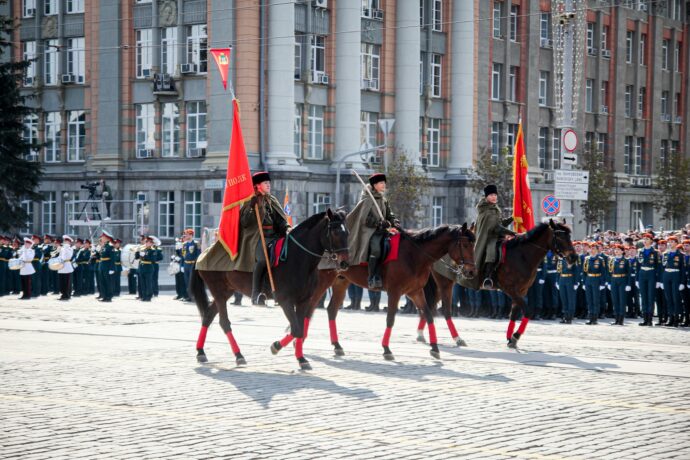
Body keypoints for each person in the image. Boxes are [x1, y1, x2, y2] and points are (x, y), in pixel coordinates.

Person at [240, 171, 290, 305]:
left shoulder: (272, 199)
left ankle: (280, 290)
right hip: (258, 237)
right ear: (257, 185)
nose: (268, 185)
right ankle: (255, 293)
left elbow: (280, 218)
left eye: (269, 183)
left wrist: (287, 227)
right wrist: (251, 208)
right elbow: (244, 222)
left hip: (276, 236)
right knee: (262, 259)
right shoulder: (251, 200)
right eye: (265, 183)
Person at [345, 173, 399, 290]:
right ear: (374, 185)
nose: (384, 185)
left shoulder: (383, 199)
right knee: (376, 248)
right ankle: (373, 277)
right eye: (381, 183)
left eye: (384, 183)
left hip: (384, 230)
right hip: (370, 231)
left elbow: (389, 214)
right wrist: (378, 223)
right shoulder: (367, 199)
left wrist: (394, 221)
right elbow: (364, 219)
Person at [474, 185, 516, 289]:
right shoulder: (486, 210)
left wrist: (513, 218)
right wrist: (513, 233)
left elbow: (500, 223)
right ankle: (487, 277)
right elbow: (496, 228)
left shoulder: (495, 208)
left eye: (495, 195)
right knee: (491, 251)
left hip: (497, 236)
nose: (494, 197)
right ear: (486, 196)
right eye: (491, 195)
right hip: (487, 238)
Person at [637, 233, 660, 326]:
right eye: (644, 239)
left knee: (650, 297)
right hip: (642, 274)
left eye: (647, 239)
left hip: (651, 274)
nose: (645, 240)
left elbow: (658, 266)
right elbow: (638, 266)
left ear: (651, 240)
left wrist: (658, 280)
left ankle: (650, 320)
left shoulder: (655, 252)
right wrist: (637, 279)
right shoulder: (640, 251)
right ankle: (645, 319)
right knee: (643, 297)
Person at [661, 236, 684, 327]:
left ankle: (676, 319)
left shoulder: (680, 255)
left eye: (672, 242)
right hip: (667, 275)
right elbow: (662, 268)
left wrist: (682, 282)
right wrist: (662, 281)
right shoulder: (665, 254)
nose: (670, 244)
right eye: (669, 242)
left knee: (676, 298)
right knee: (668, 298)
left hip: (676, 275)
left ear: (676, 243)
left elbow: (682, 269)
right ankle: (670, 318)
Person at [607, 244, 631, 325]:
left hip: (622, 280)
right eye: (615, 249)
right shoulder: (612, 260)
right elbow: (609, 272)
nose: (616, 251)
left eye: (618, 249)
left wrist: (628, 284)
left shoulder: (626, 261)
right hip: (614, 280)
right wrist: (609, 282)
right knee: (615, 300)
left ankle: (621, 319)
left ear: (622, 251)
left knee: (622, 300)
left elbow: (629, 273)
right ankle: (616, 319)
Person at [583, 243, 606, 325]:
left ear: (597, 250)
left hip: (596, 279)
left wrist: (602, 283)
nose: (592, 250)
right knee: (589, 300)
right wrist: (584, 282)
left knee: (595, 300)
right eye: (591, 248)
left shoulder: (600, 259)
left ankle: (595, 318)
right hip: (588, 279)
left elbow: (603, 272)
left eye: (594, 249)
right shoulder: (586, 259)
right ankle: (590, 317)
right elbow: (584, 272)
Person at [182, 228, 199, 302]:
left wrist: (196, 265)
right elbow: (183, 255)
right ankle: (189, 296)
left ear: (191, 235)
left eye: (187, 234)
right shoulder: (184, 244)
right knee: (187, 281)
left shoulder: (196, 243)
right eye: (185, 234)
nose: (186, 235)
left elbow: (198, 255)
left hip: (192, 264)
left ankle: (195, 296)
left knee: (193, 281)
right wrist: (182, 265)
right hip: (186, 264)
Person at [97, 231, 115, 302]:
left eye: (103, 237)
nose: (101, 238)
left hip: (107, 267)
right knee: (102, 282)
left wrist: (112, 268)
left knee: (108, 282)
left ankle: (109, 296)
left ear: (107, 238)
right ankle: (104, 296)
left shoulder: (110, 246)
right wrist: (96, 252)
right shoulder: (103, 246)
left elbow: (112, 258)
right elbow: (100, 257)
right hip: (102, 266)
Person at [57, 235, 75, 301]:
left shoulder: (70, 248)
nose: (65, 242)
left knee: (67, 282)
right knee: (61, 282)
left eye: (67, 241)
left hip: (67, 266)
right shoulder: (62, 248)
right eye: (65, 241)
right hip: (61, 266)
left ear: (69, 242)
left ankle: (67, 295)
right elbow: (60, 257)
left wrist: (65, 248)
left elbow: (68, 257)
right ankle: (63, 294)